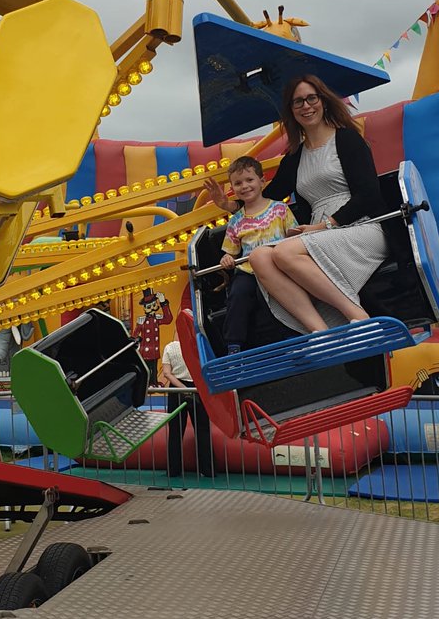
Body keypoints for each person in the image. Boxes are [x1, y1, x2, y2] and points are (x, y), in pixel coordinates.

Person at [205, 74, 387, 335]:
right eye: (298, 101)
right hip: (316, 234)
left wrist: (325, 225)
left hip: (359, 226)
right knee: (259, 256)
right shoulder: (295, 157)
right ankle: (320, 333)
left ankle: (357, 315)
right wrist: (228, 205)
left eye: (311, 98)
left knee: (284, 252)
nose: (306, 106)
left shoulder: (347, 139)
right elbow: (268, 197)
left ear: (323, 101)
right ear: (291, 110)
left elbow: (368, 195)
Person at [217, 155, 298, 353]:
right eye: (238, 183)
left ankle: (291, 334)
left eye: (249, 180)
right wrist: (227, 259)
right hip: (248, 270)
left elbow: (294, 237)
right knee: (238, 294)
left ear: (262, 181)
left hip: (277, 266)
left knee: (276, 294)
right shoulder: (236, 220)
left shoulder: (280, 209)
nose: (244, 186)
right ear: (232, 188)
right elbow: (230, 252)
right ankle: (234, 345)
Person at [160, 337, 214, 478]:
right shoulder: (200, 345)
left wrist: (182, 388)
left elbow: (166, 373)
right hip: (198, 388)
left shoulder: (170, 347)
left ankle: (173, 470)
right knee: (203, 430)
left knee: (175, 432)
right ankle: (208, 470)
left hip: (176, 390)